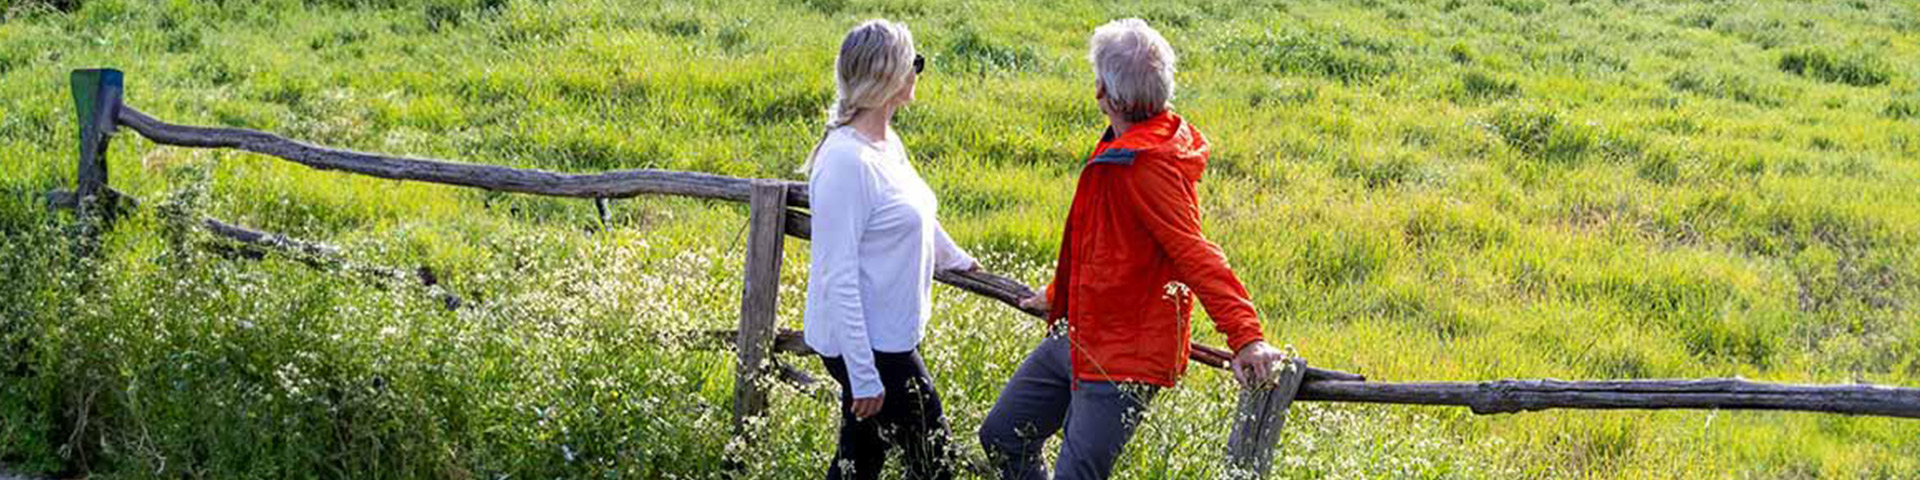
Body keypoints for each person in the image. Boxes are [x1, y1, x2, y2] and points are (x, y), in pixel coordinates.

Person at [977, 18, 1288, 480]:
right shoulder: (1121, 148)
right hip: (1081, 333)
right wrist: (1059, 294)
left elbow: (1194, 251)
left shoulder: (1145, 166)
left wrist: (1246, 335)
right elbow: (1100, 242)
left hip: (1122, 357)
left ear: (1104, 93)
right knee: (1003, 435)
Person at [800, 18, 978, 480]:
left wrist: (955, 258)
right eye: (914, 62)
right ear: (891, 75)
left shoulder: (884, 143)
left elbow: (914, 210)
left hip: (886, 337)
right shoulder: (845, 161)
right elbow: (835, 275)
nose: (919, 71)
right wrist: (863, 375)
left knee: (861, 457)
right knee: (934, 461)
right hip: (873, 347)